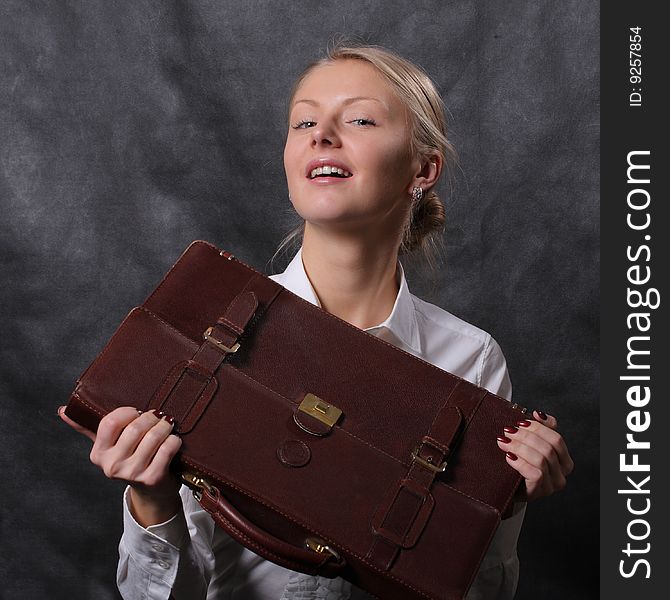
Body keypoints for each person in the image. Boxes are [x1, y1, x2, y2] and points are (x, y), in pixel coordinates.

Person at [59, 44, 574, 599]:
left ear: (422, 169)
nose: (320, 135)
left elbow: (479, 592)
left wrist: (504, 505)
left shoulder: (473, 360)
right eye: (304, 120)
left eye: (359, 119)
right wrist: (151, 503)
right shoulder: (205, 323)